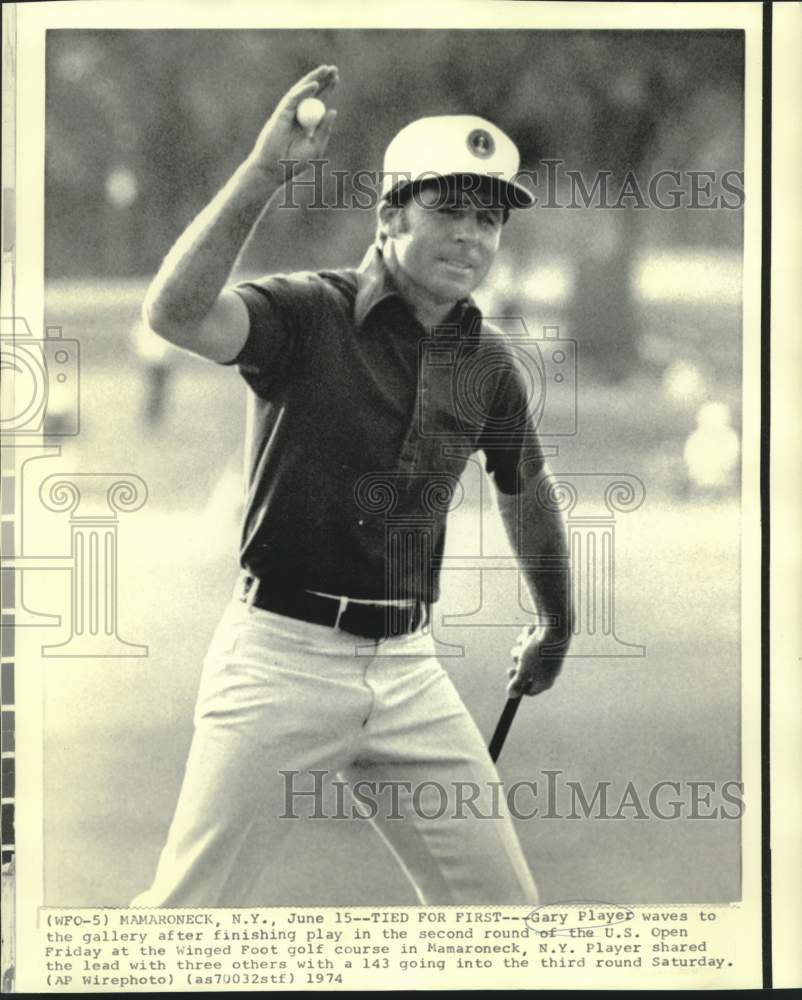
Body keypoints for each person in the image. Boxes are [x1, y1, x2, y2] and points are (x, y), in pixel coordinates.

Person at [132, 64, 573, 907]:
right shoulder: (305, 313)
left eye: (489, 218)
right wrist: (265, 173)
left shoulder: (488, 363)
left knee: (508, 925)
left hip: (410, 670)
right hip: (278, 661)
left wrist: (558, 618)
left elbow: (526, 486)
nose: (472, 236)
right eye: (448, 209)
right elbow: (177, 315)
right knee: (183, 921)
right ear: (389, 214)